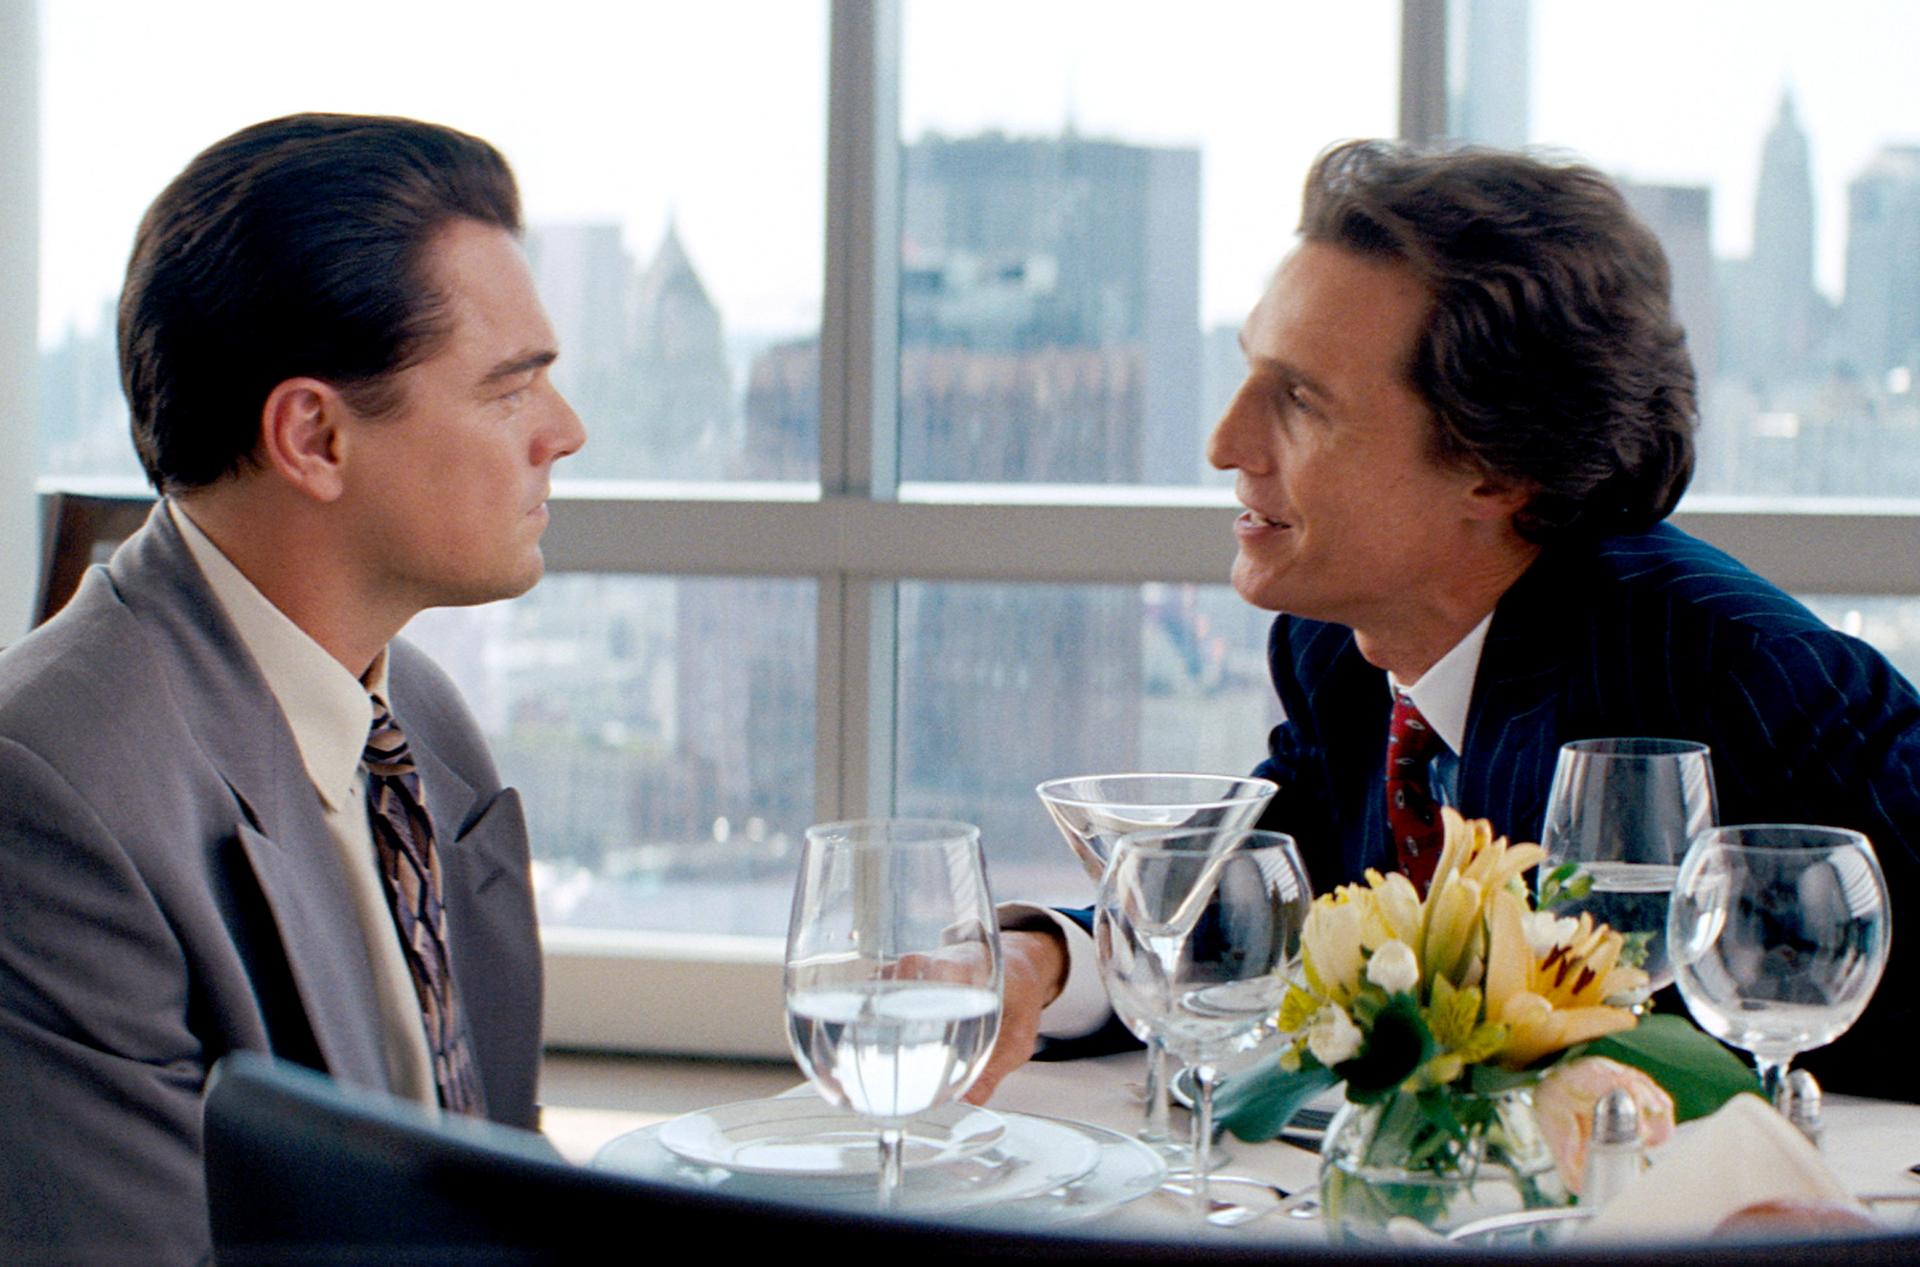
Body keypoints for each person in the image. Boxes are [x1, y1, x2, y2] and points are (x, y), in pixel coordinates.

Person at [973, 139, 1920, 1106]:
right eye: (1251, 372)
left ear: (1496, 471)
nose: (1226, 443)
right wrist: (1041, 959)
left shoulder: (1742, 675)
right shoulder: (1335, 649)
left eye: (1300, 400)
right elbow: (1248, 908)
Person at [0, 113, 584, 1261]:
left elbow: (490, 1186)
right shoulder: (53, 795)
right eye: (510, 391)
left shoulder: (417, 715)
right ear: (314, 436)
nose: (564, 432)